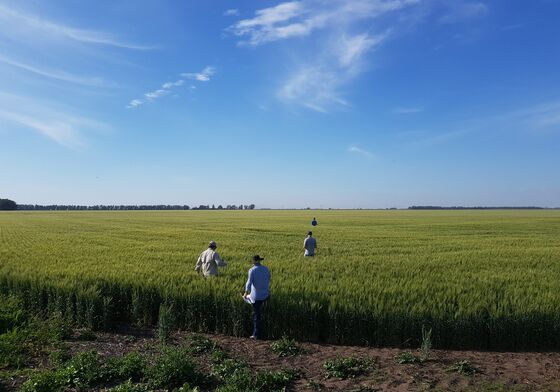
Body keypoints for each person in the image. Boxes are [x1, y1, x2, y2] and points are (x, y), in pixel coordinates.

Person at [243, 255, 270, 339]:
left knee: (256, 316)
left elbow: (249, 283)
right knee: (260, 314)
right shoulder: (266, 269)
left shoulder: (252, 270)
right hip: (266, 295)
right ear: (260, 261)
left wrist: (245, 293)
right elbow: (269, 279)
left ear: (253, 261)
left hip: (256, 297)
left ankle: (256, 334)